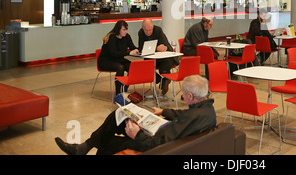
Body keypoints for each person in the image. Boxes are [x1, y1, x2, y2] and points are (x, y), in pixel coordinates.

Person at [54, 75, 216, 155]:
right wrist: (164, 111)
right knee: (119, 114)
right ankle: (84, 147)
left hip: (152, 142)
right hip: (159, 132)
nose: (183, 96)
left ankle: (83, 148)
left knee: (106, 143)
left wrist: (137, 134)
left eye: (184, 93)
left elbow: (158, 146)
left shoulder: (194, 116)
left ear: (191, 97)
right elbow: (184, 115)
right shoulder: (205, 110)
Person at [97, 20, 139, 95]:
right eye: (124, 29)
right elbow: (113, 53)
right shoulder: (111, 37)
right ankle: (118, 93)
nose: (126, 31)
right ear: (118, 29)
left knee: (131, 66)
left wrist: (140, 50)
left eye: (126, 29)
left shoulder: (127, 36)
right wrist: (129, 53)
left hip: (118, 60)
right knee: (120, 67)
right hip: (106, 61)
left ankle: (125, 86)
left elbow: (133, 47)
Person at [138, 19, 178, 95]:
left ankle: (165, 79)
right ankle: (163, 80)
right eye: (146, 30)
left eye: (150, 30)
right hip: (150, 58)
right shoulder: (141, 33)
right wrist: (156, 48)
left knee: (164, 66)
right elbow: (141, 47)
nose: (148, 32)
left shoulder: (158, 30)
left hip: (164, 58)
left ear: (153, 27)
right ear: (143, 28)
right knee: (146, 67)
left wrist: (163, 48)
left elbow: (165, 45)